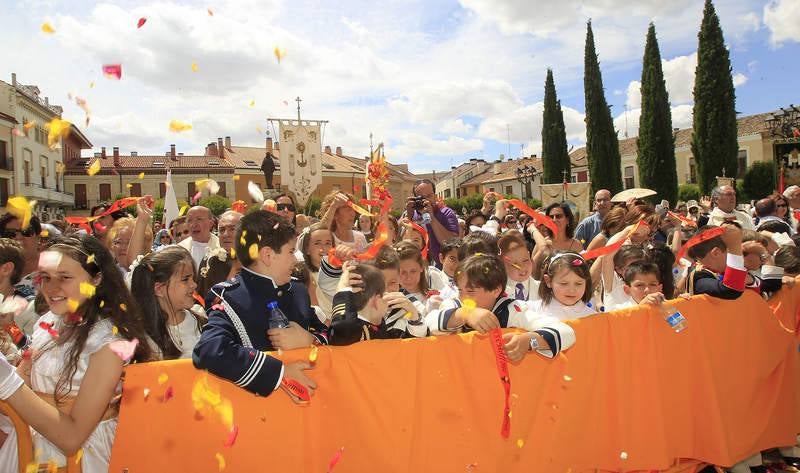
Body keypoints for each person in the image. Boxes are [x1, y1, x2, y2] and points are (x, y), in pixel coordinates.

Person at [0, 235, 152, 472]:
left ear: (97, 278)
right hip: (32, 448)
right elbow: (22, 387)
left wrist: (6, 379)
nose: (51, 288)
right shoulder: (47, 323)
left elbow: (72, 438)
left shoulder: (110, 343)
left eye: (65, 277)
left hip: (86, 459)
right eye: (46, 277)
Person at [192, 211, 325, 402]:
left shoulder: (297, 291)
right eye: (290, 251)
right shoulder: (228, 297)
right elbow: (210, 350)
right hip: (257, 415)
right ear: (268, 255)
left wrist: (310, 339)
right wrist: (280, 373)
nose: (295, 259)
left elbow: (328, 333)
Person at [423, 254, 575, 361]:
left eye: (470, 291)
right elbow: (429, 323)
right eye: (460, 289)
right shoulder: (455, 305)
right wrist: (465, 314)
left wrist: (529, 341)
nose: (463, 296)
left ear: (496, 290)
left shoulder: (511, 310)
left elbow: (567, 333)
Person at [131, 246, 204, 359]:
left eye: (193, 278)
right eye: (185, 279)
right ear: (159, 289)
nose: (194, 285)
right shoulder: (144, 339)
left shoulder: (201, 321)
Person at [329, 263, 425, 345]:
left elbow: (408, 350)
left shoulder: (379, 330)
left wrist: (415, 318)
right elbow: (343, 326)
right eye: (384, 292)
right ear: (376, 299)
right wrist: (343, 291)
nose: (388, 295)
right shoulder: (352, 332)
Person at [527, 252, 598, 321]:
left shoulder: (593, 318)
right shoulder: (532, 311)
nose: (572, 290)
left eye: (578, 284)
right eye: (564, 283)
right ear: (548, 281)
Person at [405, 179, 459, 266]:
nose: (426, 200)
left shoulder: (446, 213)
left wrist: (432, 217)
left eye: (429, 196)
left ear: (435, 196)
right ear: (415, 199)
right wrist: (409, 216)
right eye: (422, 197)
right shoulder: (411, 214)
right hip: (416, 268)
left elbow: (452, 243)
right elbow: (397, 238)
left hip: (441, 268)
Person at [685, 225, 746, 298]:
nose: (740, 256)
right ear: (716, 253)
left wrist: (751, 280)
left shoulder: (722, 271)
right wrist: (735, 247)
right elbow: (731, 290)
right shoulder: (700, 277)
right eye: (734, 253)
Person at [197, 210, 243, 298]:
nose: (225, 234)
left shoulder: (256, 259)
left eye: (232, 229)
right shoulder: (211, 260)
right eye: (221, 230)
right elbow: (202, 297)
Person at [0, 214, 42, 298]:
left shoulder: (55, 272)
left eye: (26, 231)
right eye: (10, 233)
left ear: (38, 238)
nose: (18, 237)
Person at [499, 231, 539, 302]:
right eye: (514, 264)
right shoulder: (498, 291)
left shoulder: (541, 288)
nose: (522, 268)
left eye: (525, 260)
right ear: (502, 264)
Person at [178, 206, 220, 270]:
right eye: (189, 220)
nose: (194, 225)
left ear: (211, 223)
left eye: (199, 219)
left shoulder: (221, 246)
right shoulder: (180, 249)